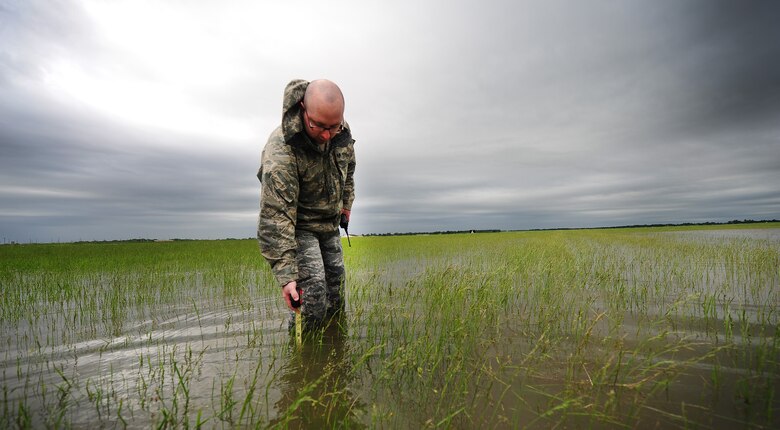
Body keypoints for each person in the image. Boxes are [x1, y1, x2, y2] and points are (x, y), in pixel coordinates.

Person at [257, 79, 356, 330]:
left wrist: (346, 204)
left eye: (333, 127)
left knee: (335, 291)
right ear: (303, 108)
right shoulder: (281, 150)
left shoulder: (340, 133)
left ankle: (334, 349)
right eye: (319, 126)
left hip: (329, 225)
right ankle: (306, 362)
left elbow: (349, 169)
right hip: (299, 227)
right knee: (312, 296)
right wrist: (287, 276)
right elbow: (276, 215)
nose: (326, 135)